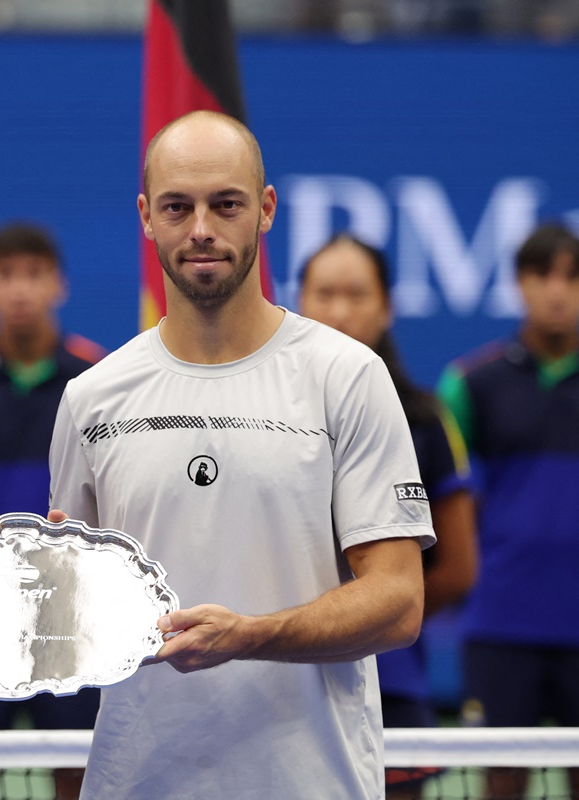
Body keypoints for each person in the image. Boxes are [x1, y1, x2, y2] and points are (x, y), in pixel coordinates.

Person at [47, 110, 434, 800]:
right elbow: (70, 612)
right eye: (177, 207)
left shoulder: (347, 377)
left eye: (225, 204)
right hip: (138, 782)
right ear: (145, 217)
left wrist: (251, 635)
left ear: (265, 209)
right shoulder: (91, 398)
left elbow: (400, 601)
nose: (201, 229)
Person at [299, 233, 479, 798]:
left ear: (387, 306)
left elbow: (457, 568)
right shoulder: (258, 417)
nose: (340, 310)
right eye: (325, 293)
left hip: (393, 685)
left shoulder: (426, 419)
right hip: (277, 679)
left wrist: (376, 609)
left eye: (357, 294)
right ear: (300, 301)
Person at [0, 222, 104, 800]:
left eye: (34, 274)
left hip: (72, 629)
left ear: (58, 285)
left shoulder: (98, 383)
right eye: (6, 276)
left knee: (77, 776)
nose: (20, 290)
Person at [438, 222, 579, 799]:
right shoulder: (470, 385)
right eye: (542, 274)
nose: (557, 290)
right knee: (502, 782)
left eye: (572, 277)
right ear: (520, 283)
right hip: (500, 626)